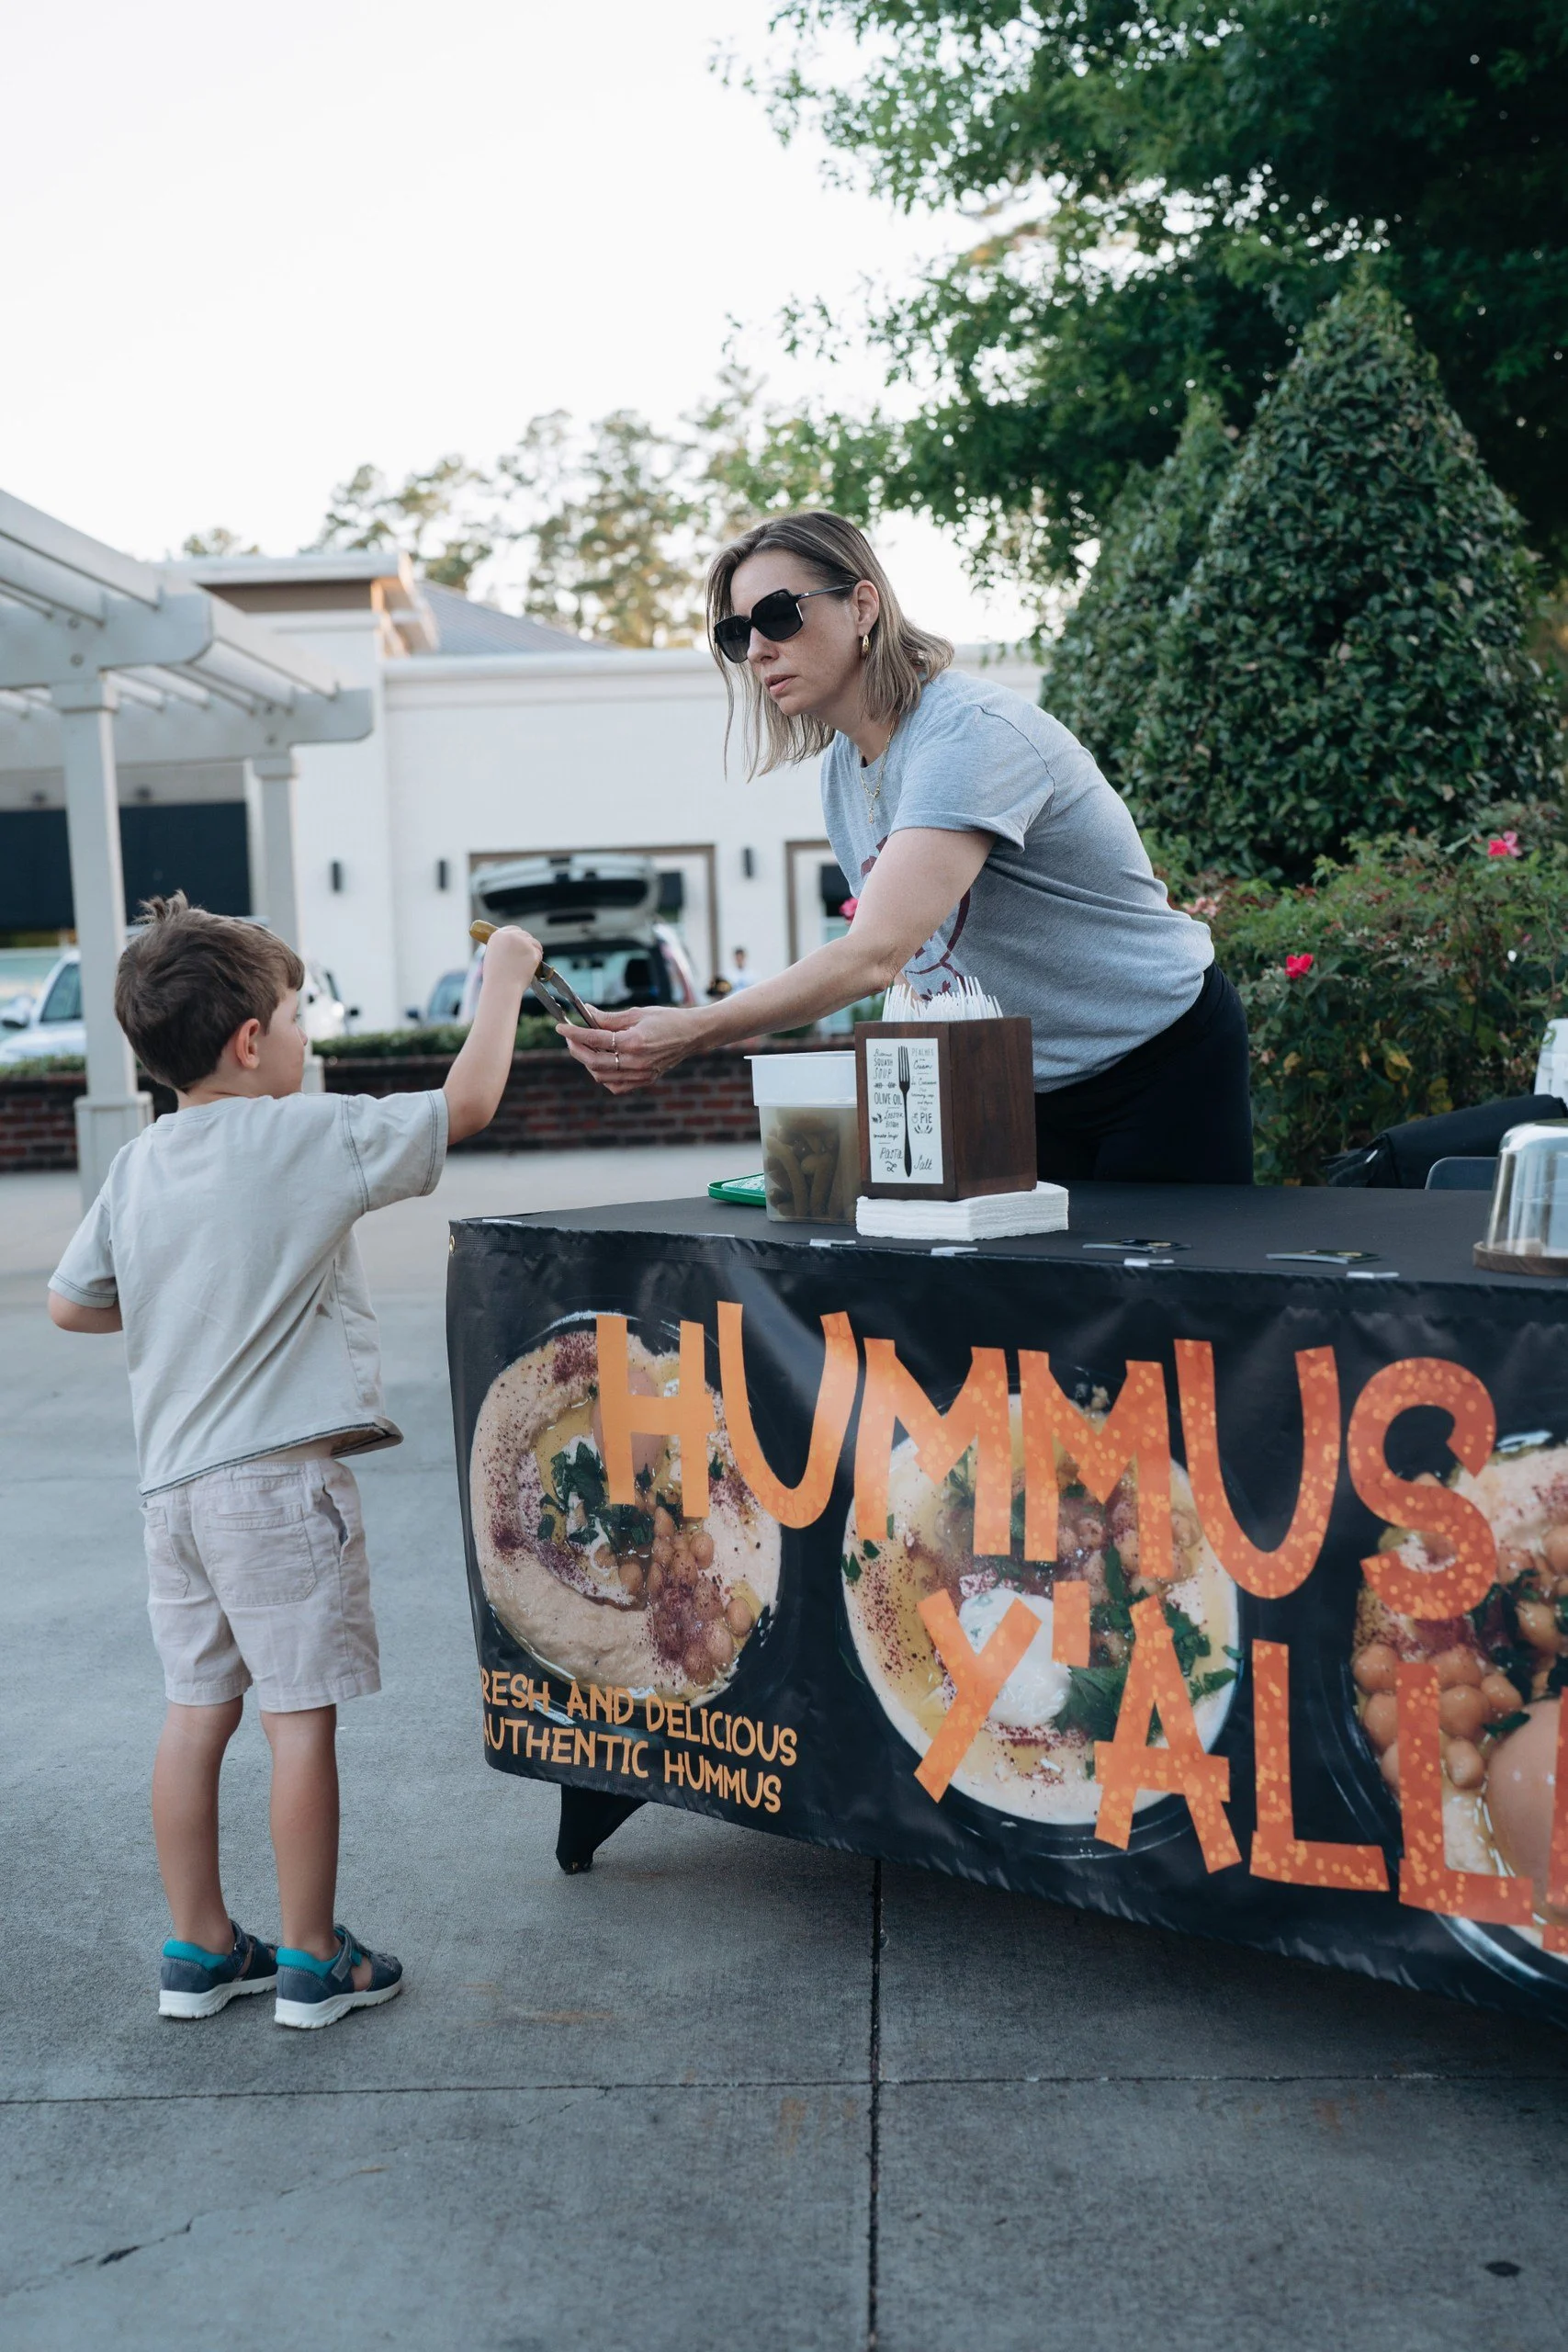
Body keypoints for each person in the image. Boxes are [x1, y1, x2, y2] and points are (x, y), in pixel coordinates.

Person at [47, 895, 540, 2027]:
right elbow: (466, 1103)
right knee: (299, 1718)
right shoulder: (305, 1134)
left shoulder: (139, 1163)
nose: (305, 1034)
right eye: (298, 1013)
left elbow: (73, 1304)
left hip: (173, 1495)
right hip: (274, 1487)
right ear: (249, 1041)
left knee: (195, 1712)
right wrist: (506, 971)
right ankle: (315, 1958)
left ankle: (199, 1947)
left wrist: (190, 1301)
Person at [559, 510, 1251, 1184]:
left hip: (1156, 1057)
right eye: (738, 632)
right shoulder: (842, 769)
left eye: (777, 614)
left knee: (1156, 1266)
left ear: (862, 606)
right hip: (1016, 1079)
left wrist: (694, 1028)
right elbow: (917, 965)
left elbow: (874, 954)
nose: (759, 648)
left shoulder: (966, 734)